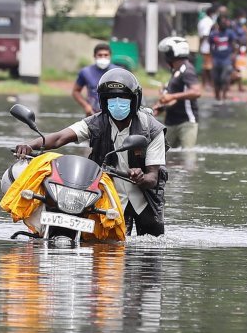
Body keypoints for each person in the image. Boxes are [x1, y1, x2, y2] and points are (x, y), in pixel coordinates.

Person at [15, 68, 168, 237]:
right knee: (100, 245)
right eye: (111, 99)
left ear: (134, 100)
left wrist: (141, 177)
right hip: (107, 195)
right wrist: (30, 144)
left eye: (123, 98)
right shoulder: (96, 122)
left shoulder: (152, 130)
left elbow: (153, 177)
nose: (117, 103)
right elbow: (60, 137)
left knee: (152, 249)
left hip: (143, 199)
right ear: (104, 101)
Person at [153, 36, 202, 149]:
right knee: (163, 155)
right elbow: (172, 99)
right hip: (171, 121)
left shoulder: (187, 70)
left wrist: (171, 96)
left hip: (186, 122)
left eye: (167, 52)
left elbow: (196, 92)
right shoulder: (176, 71)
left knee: (187, 157)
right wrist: (161, 107)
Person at [72, 43, 113, 116]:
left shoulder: (118, 71)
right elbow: (76, 91)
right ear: (94, 56)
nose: (103, 57)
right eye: (100, 55)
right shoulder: (86, 72)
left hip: (113, 115)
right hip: (92, 115)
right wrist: (86, 105)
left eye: (106, 55)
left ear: (110, 56)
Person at [209, 17, 238, 102]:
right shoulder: (213, 34)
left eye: (226, 22)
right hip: (216, 59)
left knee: (225, 79)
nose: (225, 24)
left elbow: (234, 45)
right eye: (223, 22)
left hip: (226, 59)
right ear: (218, 23)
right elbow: (210, 46)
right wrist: (212, 56)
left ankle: (224, 96)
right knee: (216, 79)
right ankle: (217, 97)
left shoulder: (230, 33)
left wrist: (234, 55)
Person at [197, 6, 217, 90]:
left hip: (205, 46)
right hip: (208, 47)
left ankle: (205, 83)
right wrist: (201, 45)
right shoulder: (208, 22)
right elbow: (205, 35)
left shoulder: (202, 21)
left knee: (206, 66)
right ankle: (207, 84)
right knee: (208, 67)